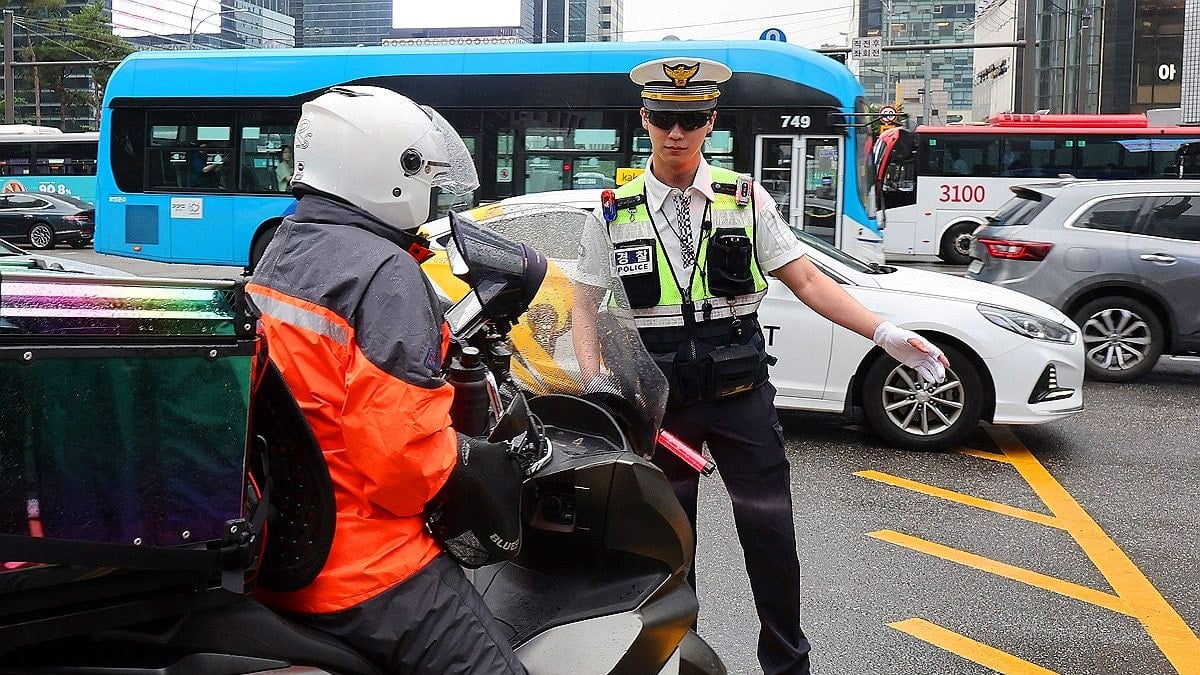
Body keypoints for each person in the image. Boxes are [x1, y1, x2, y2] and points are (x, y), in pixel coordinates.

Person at [572, 57, 949, 675]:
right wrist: (594, 378)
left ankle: (786, 664)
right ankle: (676, 660)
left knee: (771, 539)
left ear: (710, 124)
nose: (677, 134)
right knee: (670, 545)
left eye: (690, 120)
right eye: (665, 119)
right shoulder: (614, 210)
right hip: (662, 408)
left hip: (740, 394)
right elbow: (585, 303)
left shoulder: (745, 197)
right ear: (645, 120)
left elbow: (804, 277)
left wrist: (883, 331)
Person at [247, 86, 526, 674]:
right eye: (422, 171)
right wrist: (474, 460)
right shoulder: (384, 274)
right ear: (386, 170)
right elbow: (402, 471)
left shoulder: (282, 247)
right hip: (368, 568)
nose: (429, 188)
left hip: (283, 547)